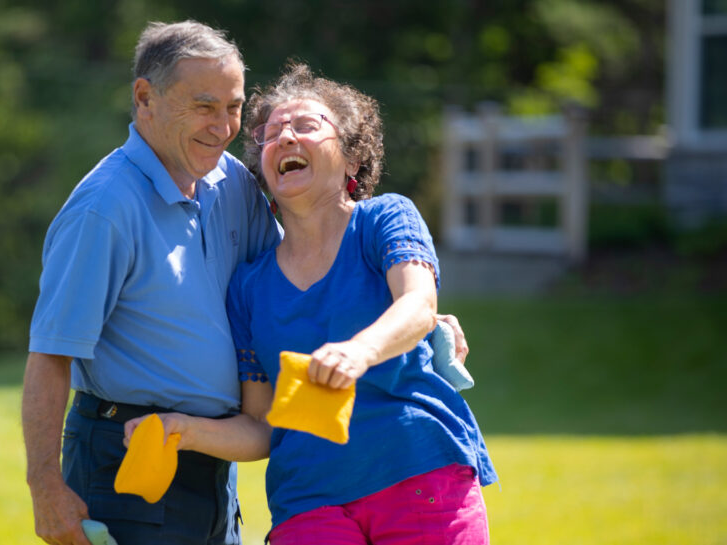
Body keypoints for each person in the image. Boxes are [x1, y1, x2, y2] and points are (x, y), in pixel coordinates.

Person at [23, 20, 471, 545]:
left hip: (213, 457)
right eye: (204, 106)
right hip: (127, 449)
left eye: (234, 108)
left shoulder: (229, 181)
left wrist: (416, 314)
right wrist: (44, 485)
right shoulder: (104, 209)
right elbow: (51, 354)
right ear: (145, 98)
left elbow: (311, 271)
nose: (223, 126)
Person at [124, 63, 497, 545]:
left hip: (418, 472)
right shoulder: (248, 286)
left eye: (306, 126)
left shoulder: (384, 219)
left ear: (352, 160)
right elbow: (261, 426)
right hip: (307, 503)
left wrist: (357, 352)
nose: (285, 138)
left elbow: (418, 305)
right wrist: (182, 429)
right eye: (272, 133)